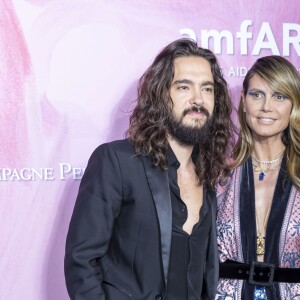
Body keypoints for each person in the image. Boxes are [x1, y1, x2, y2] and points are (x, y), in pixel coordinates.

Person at [64, 38, 234, 300]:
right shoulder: (117, 161)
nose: (198, 99)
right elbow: (81, 262)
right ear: (161, 95)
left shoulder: (209, 176)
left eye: (207, 89)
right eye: (183, 87)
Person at [216, 56, 300, 300]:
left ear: (293, 105)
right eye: (257, 95)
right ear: (243, 101)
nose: (266, 107)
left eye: (279, 96)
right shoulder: (218, 175)